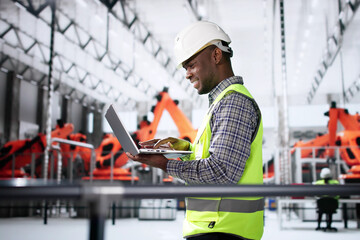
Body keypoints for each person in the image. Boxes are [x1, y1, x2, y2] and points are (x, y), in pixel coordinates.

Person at [126, 21, 264, 240]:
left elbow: (222, 172)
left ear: (216, 55)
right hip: (217, 228)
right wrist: (182, 148)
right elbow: (214, 158)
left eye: (191, 65)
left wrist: (165, 164)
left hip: (224, 230)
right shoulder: (220, 102)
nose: (187, 74)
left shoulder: (233, 102)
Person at [315, 167, 339, 232]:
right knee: (329, 211)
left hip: (322, 206)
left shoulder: (318, 183)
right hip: (332, 205)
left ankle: (318, 225)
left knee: (321, 210)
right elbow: (338, 195)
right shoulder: (335, 182)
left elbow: (316, 194)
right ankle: (329, 225)